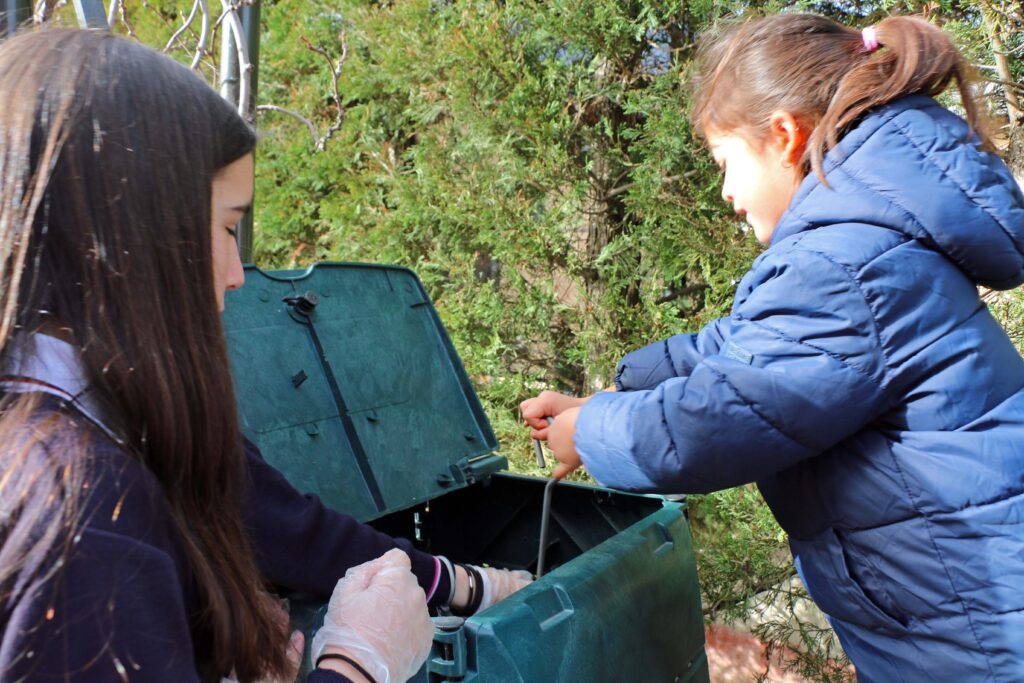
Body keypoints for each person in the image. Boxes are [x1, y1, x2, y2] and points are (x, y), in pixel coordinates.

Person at [0, 29, 528, 683]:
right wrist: (358, 662)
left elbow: (283, 524)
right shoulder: (84, 515)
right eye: (227, 227)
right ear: (126, 233)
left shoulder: (105, 427)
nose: (236, 275)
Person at [522, 14, 1024, 682]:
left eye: (725, 163)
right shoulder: (864, 239)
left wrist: (591, 433)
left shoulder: (843, 262)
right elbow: (751, 347)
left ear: (785, 136)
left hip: (978, 636)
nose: (726, 193)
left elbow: (716, 423)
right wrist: (623, 389)